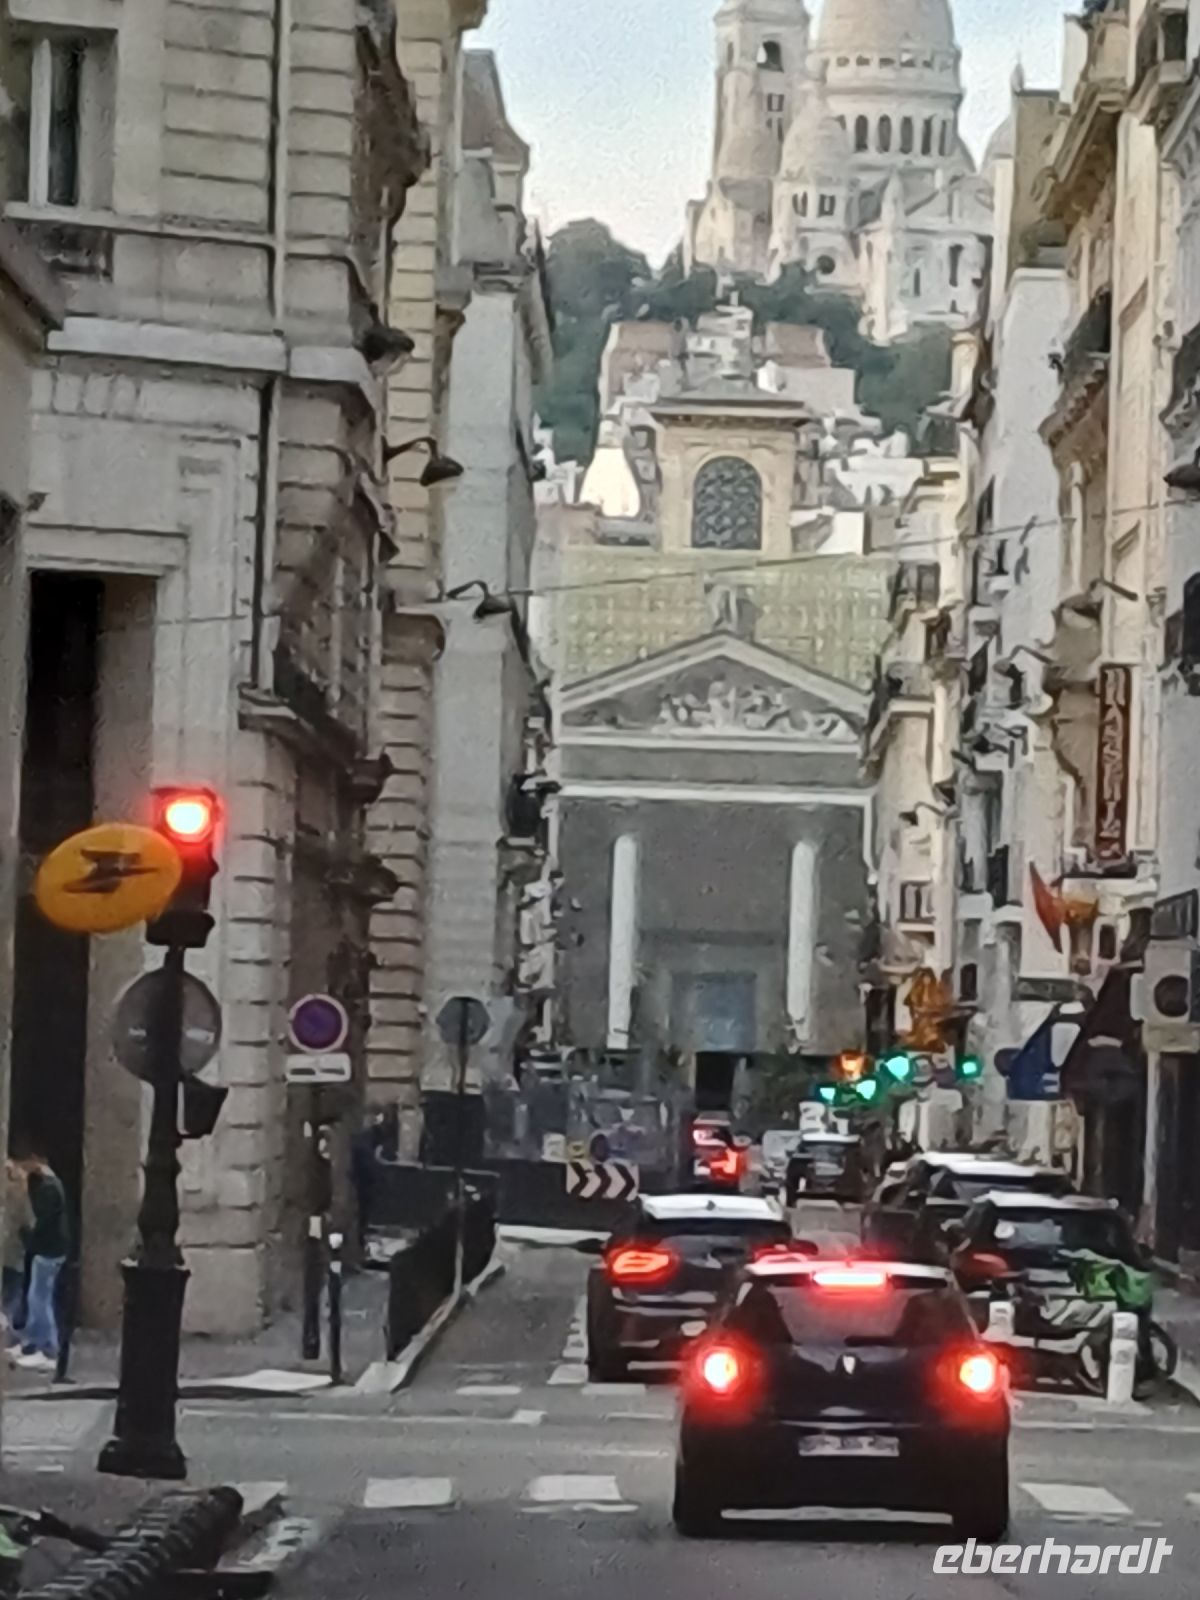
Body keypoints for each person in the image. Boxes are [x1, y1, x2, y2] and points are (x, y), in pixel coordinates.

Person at [14, 1148, 68, 1373]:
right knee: (37, 1297)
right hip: (49, 1248)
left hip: (49, 1249)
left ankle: (48, 1348)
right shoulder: (50, 1185)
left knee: (40, 1299)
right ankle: (34, 1343)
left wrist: (27, 1235)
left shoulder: (48, 1187)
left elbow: (43, 1222)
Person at [3, 1158, 31, 1359]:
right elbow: (28, 1224)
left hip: (8, 1255)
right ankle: (10, 1338)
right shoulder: (21, 1199)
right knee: (11, 1299)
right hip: (14, 1256)